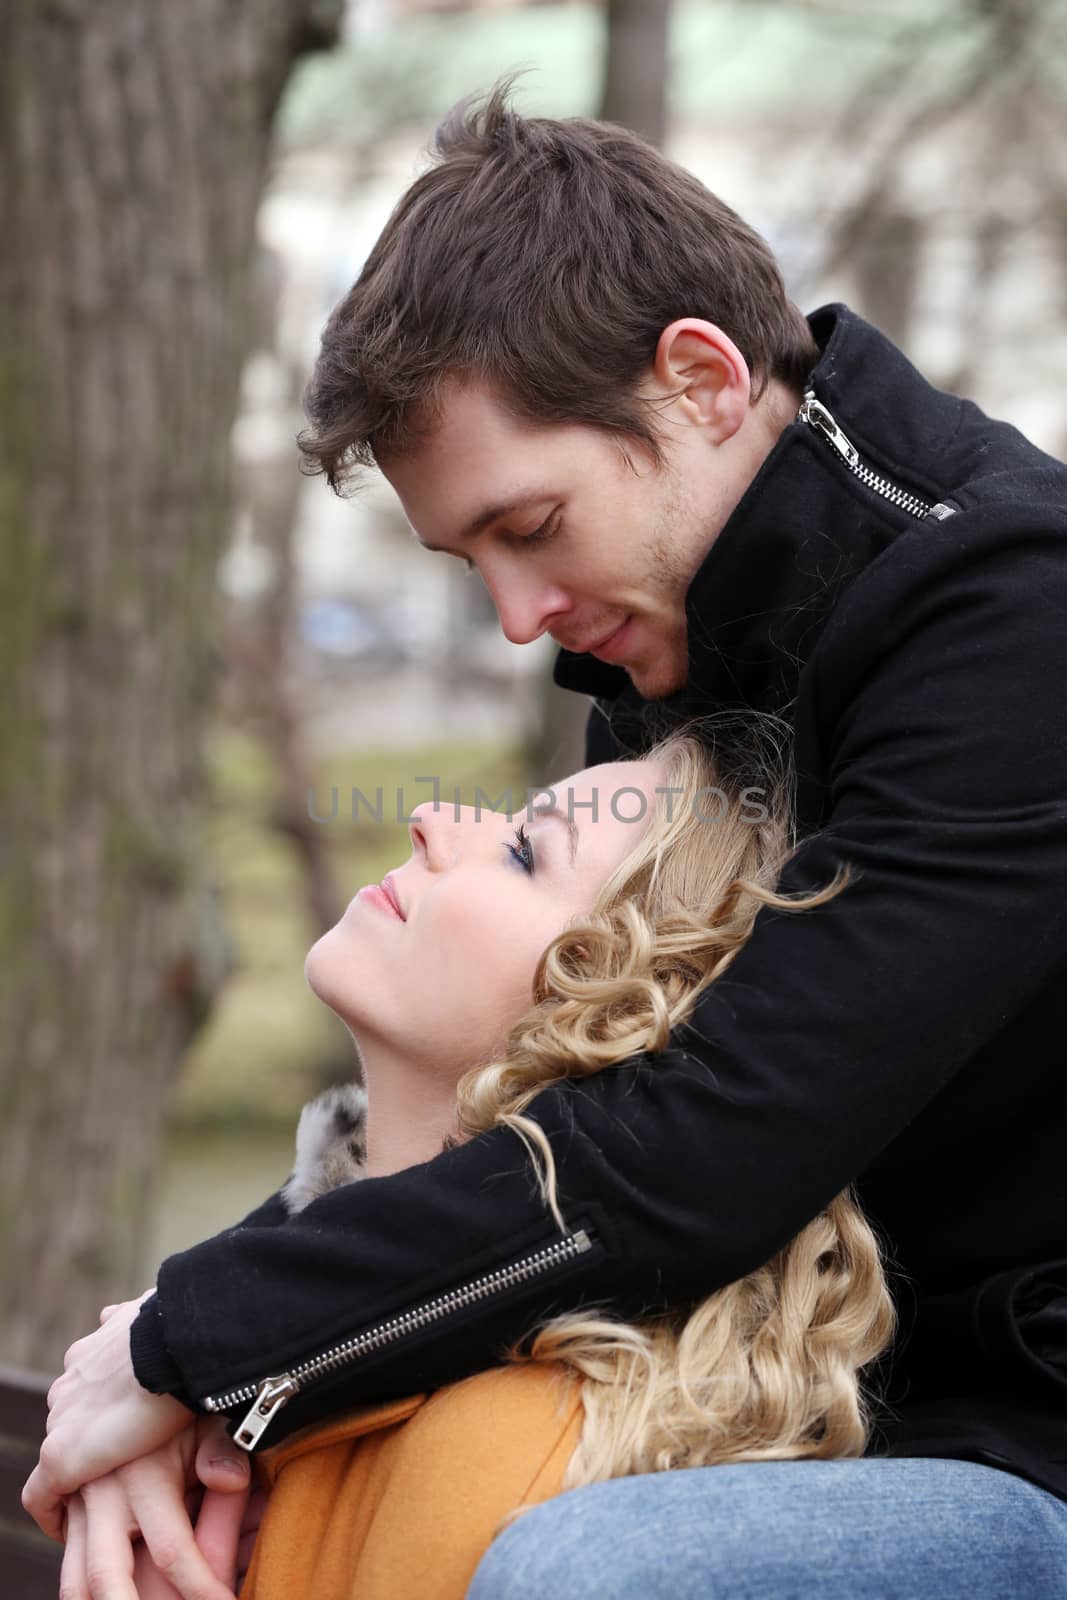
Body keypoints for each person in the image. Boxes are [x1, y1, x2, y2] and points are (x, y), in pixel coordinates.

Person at [25, 83, 1067, 1598]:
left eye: (529, 528)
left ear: (701, 381)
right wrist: (173, 1350)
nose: (519, 620)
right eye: (469, 561)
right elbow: (538, 1094)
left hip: (1020, 1449)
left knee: (587, 1577)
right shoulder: (672, 651)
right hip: (808, 1425)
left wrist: (201, 1339)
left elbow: (698, 1149)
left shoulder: (1011, 621)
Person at [136, 729, 894, 1600]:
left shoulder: (512, 1465)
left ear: (620, 1019)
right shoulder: (263, 1373)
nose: (427, 817)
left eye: (524, 852)